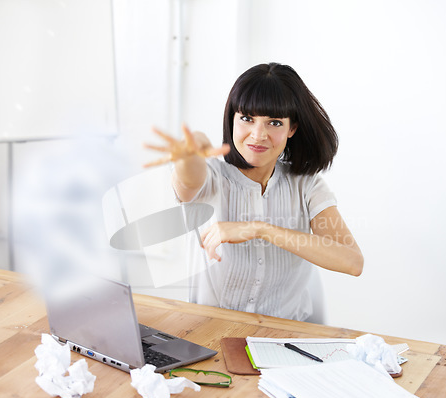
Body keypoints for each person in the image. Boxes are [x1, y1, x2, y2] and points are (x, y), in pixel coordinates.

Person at [144, 62, 363, 321]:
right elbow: (189, 177)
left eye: (274, 122)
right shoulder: (212, 177)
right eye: (247, 119)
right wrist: (193, 149)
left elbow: (352, 261)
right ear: (232, 120)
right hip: (212, 334)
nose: (258, 135)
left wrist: (261, 229)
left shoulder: (307, 184)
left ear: (292, 128)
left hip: (285, 337)